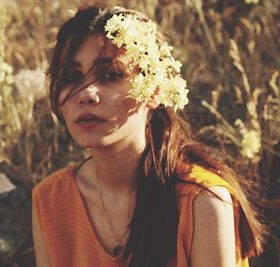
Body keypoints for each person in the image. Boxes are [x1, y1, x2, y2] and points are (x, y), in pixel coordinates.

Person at [31, 5, 266, 267]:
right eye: (71, 77)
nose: (86, 93)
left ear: (154, 90)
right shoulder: (50, 200)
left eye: (111, 74)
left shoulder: (202, 202)